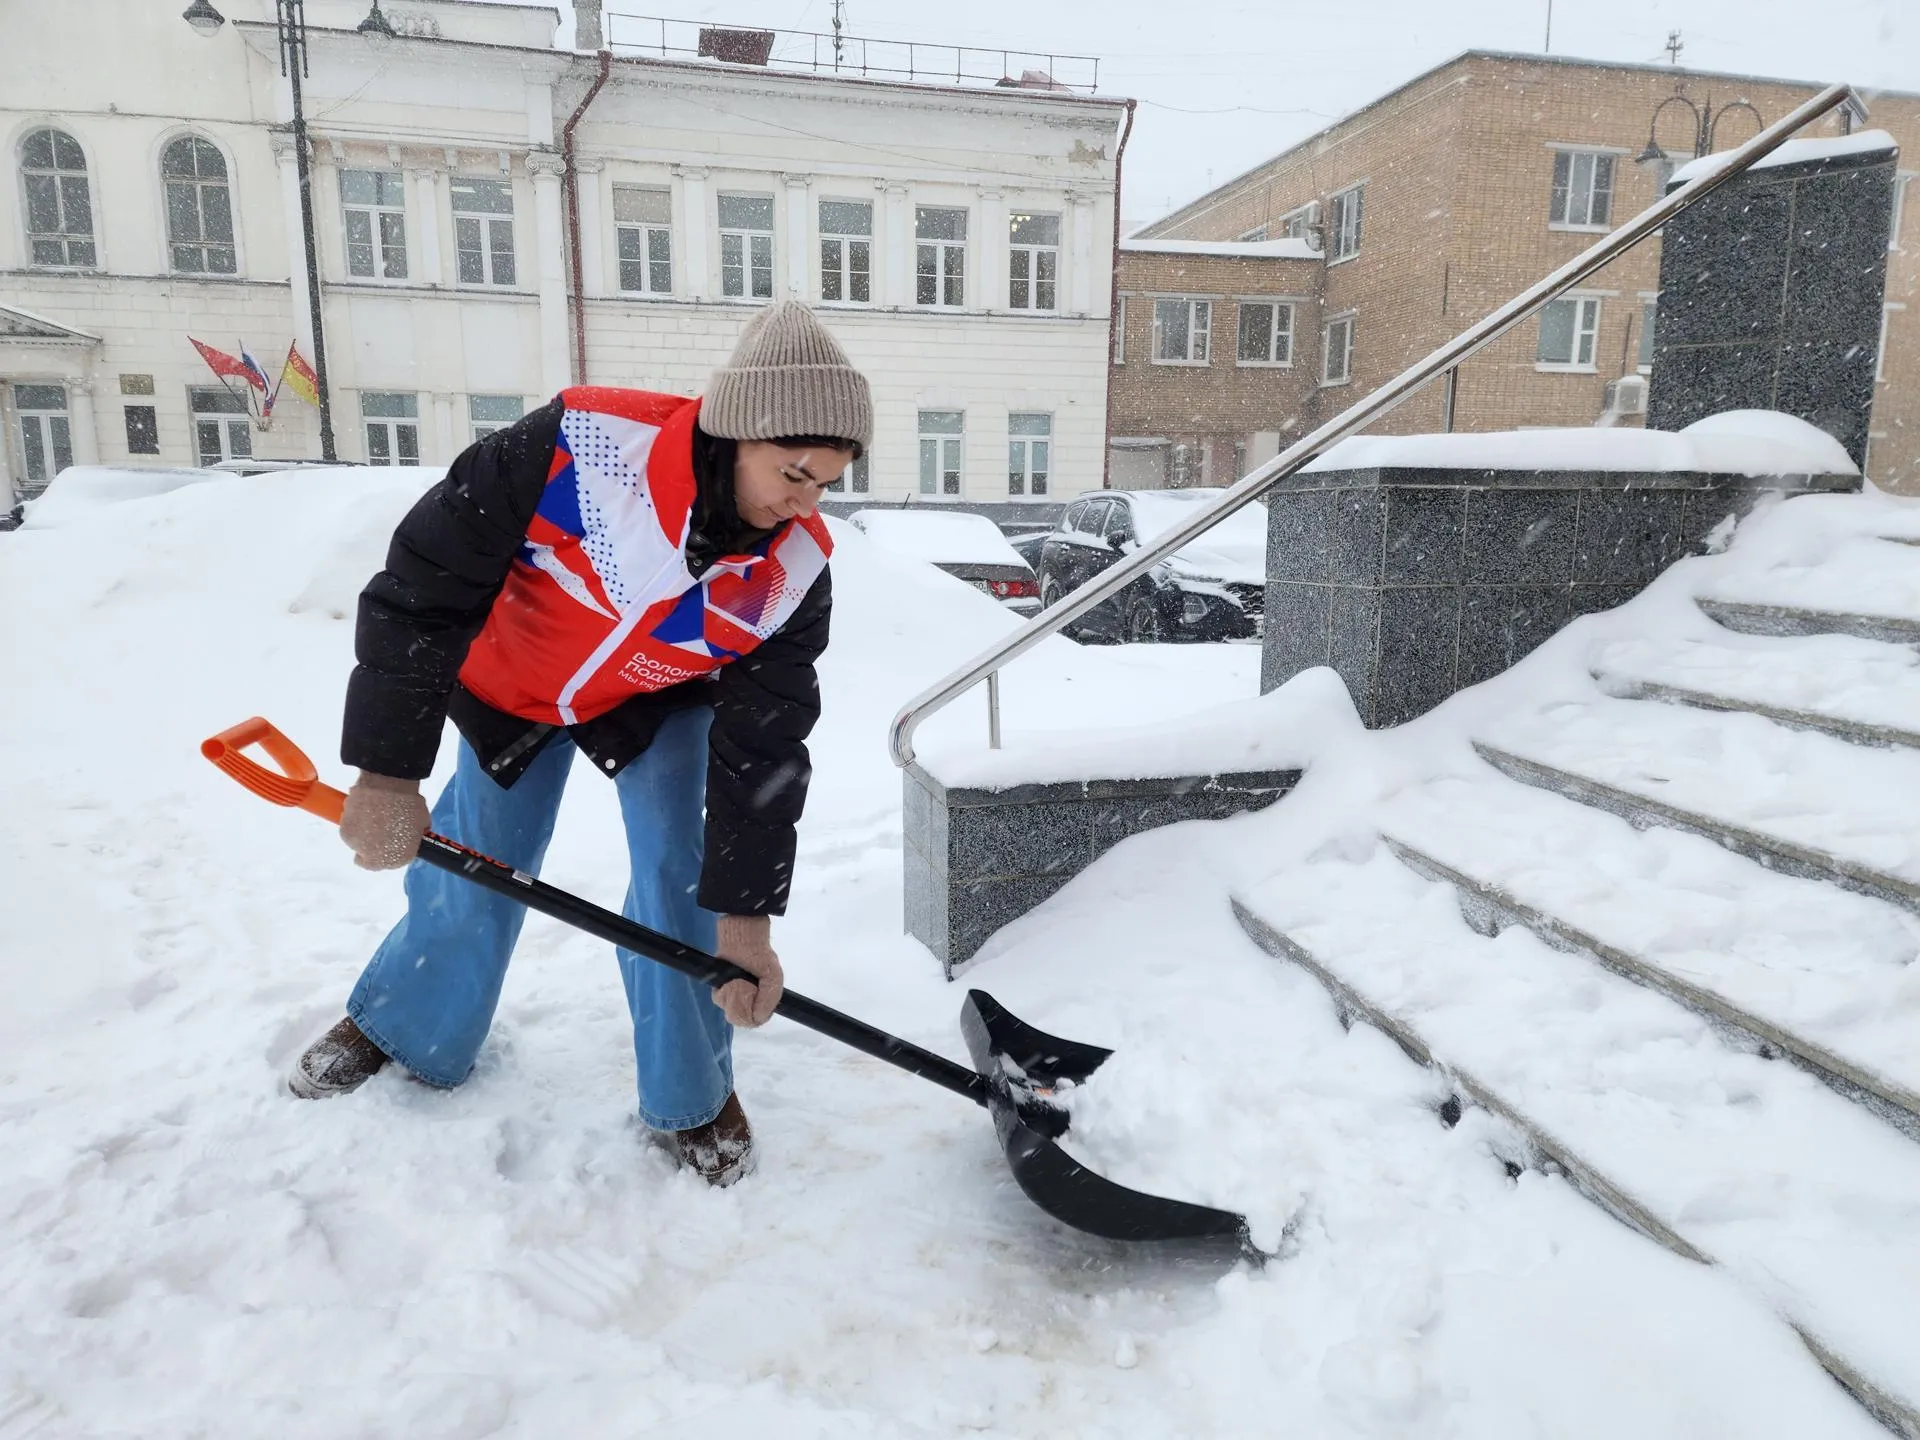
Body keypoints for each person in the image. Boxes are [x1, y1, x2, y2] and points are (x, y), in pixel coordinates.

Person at [288, 300, 871, 1188]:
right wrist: (385, 772)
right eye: (795, 472)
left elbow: (766, 749)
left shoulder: (790, 572)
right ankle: (407, 1023)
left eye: (827, 483)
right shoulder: (580, 447)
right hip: (513, 682)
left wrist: (746, 924)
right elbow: (421, 592)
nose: (807, 502)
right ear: (736, 433)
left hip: (651, 701)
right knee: (471, 859)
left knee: (680, 876)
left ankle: (692, 1094)